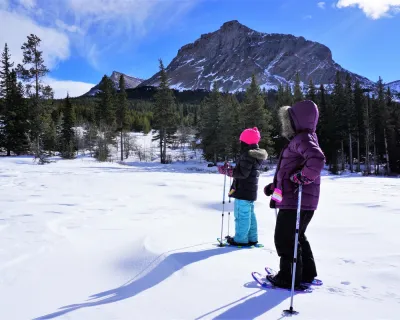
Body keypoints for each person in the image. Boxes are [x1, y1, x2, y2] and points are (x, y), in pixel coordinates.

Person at [264, 100, 325, 289]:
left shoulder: (303, 138)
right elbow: (290, 171)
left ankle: (288, 277)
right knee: (298, 236)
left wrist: (302, 178)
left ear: (296, 121)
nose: (286, 124)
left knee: (285, 238)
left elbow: (317, 160)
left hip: (296, 201)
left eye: (288, 120)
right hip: (297, 199)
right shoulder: (305, 138)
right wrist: (275, 187)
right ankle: (306, 273)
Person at [218, 127, 268, 246]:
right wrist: (231, 169)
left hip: (243, 190)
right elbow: (245, 171)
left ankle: (240, 239)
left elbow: (242, 174)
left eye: (241, 141)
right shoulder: (254, 155)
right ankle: (252, 238)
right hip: (249, 191)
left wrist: (227, 171)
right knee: (249, 215)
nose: (240, 143)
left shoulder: (247, 155)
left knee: (241, 215)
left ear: (245, 142)